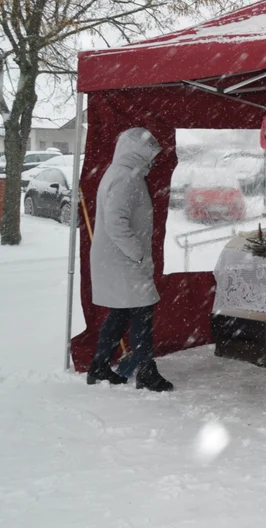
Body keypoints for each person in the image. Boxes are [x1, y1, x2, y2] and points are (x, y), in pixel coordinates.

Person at [87, 127, 174, 392]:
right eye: (150, 152)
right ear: (136, 150)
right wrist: (137, 253)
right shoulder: (126, 178)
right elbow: (116, 223)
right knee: (141, 312)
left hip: (118, 259)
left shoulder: (123, 173)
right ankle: (146, 371)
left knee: (121, 313)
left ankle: (100, 367)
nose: (154, 158)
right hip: (123, 260)